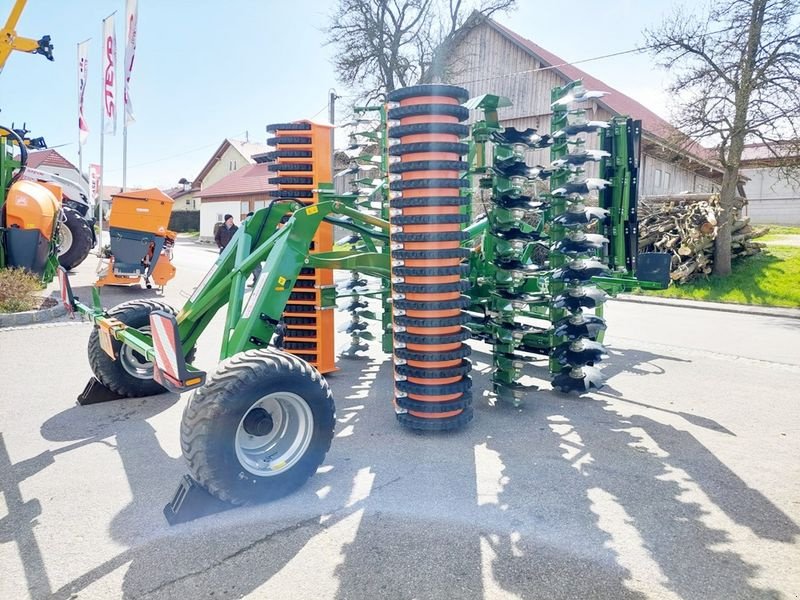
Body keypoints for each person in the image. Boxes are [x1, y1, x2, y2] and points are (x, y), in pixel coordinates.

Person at [245, 211, 262, 286]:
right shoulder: (249, 226)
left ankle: (259, 284)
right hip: (249, 250)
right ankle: (255, 282)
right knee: (253, 268)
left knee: (257, 268)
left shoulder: (257, 226)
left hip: (255, 250)